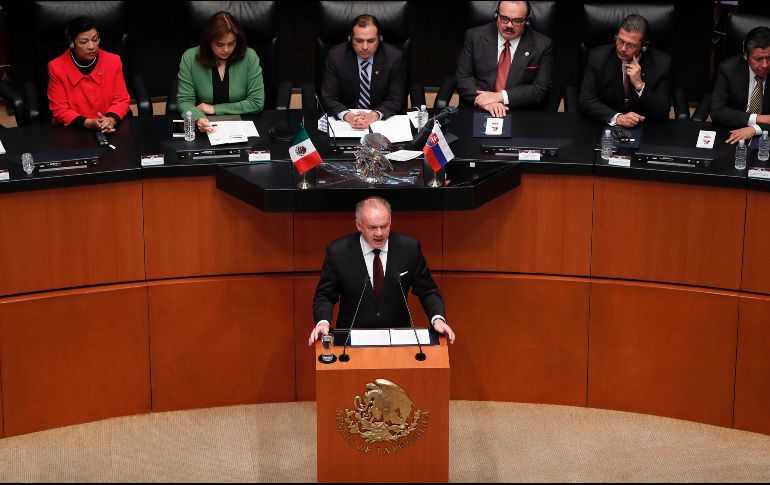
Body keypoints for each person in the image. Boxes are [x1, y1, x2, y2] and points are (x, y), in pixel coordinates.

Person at [308, 196, 455, 345]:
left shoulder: (408, 248)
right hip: (352, 341)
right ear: (359, 225)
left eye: (384, 226)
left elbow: (428, 291)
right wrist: (323, 322)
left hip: (398, 340)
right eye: (372, 227)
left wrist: (438, 319)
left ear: (390, 222)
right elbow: (325, 296)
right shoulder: (338, 252)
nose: (379, 233)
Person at [455, 1, 554, 117]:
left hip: (519, 112)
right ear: (496, 16)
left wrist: (500, 96)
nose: (509, 25)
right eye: (504, 18)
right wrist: (486, 102)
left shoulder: (543, 45)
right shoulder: (474, 36)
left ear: (526, 21)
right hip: (478, 108)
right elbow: (463, 78)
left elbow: (540, 88)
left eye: (517, 20)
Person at [177, 11, 264, 133]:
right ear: (209, 41)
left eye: (231, 43)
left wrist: (214, 109)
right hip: (206, 125)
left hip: (242, 125)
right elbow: (185, 101)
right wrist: (198, 118)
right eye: (219, 44)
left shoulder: (249, 57)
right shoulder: (190, 58)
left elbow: (256, 102)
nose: (226, 49)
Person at [578, 14, 672, 127]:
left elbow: (662, 112)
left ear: (644, 46)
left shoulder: (662, 64)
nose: (622, 48)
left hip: (646, 127)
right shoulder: (598, 58)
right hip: (605, 125)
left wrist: (640, 85)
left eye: (631, 45)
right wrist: (618, 118)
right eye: (620, 40)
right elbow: (586, 101)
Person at [320, 14, 406, 130]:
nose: (365, 47)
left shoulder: (394, 58)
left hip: (381, 122)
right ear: (350, 39)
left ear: (379, 39)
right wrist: (349, 116)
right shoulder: (336, 57)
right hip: (345, 123)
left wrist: (373, 116)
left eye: (371, 41)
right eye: (359, 41)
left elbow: (395, 98)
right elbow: (329, 97)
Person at [47, 16, 130, 132]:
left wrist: (110, 120)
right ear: (72, 44)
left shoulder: (113, 61)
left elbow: (121, 99)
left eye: (95, 40)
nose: (91, 47)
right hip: (74, 130)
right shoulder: (56, 67)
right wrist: (88, 123)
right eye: (83, 42)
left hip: (111, 127)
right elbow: (59, 109)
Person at [711, 26, 770, 144]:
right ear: (746, 56)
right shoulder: (728, 69)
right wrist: (757, 118)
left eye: (769, 58)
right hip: (734, 130)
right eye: (758, 59)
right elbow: (717, 112)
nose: (765, 65)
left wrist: (755, 129)